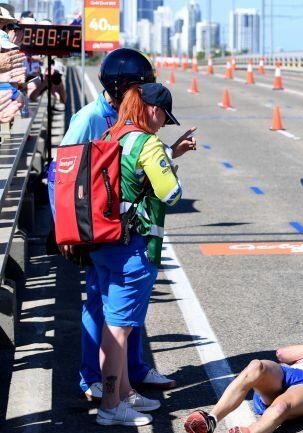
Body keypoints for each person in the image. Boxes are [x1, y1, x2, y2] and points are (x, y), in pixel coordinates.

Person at [49, 48, 196, 402]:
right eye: (139, 88)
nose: (143, 94)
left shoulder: (122, 118)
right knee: (99, 303)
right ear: (124, 87)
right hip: (95, 226)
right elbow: (61, 173)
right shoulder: (90, 118)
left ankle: (134, 371)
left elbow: (130, 167)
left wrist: (169, 153)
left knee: (124, 309)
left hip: (115, 225)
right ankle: (93, 379)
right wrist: (65, 230)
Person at [94, 82, 185, 426]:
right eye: (164, 117)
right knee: (118, 329)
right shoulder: (147, 143)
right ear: (153, 110)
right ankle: (110, 406)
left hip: (104, 241)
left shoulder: (111, 134)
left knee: (115, 323)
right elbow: (171, 193)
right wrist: (170, 168)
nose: (163, 125)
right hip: (132, 246)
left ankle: (125, 393)